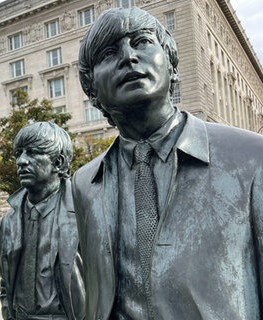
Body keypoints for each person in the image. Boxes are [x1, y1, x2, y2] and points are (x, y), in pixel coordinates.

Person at [72, 7, 263, 319]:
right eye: (109, 53)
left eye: (143, 42)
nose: (128, 57)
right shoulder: (84, 183)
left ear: (172, 66)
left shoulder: (252, 159)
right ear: (92, 92)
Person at [0, 122, 85, 320]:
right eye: (18, 154)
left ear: (58, 162)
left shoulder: (85, 211)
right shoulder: (9, 220)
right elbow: (5, 281)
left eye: (32, 153)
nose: (21, 161)